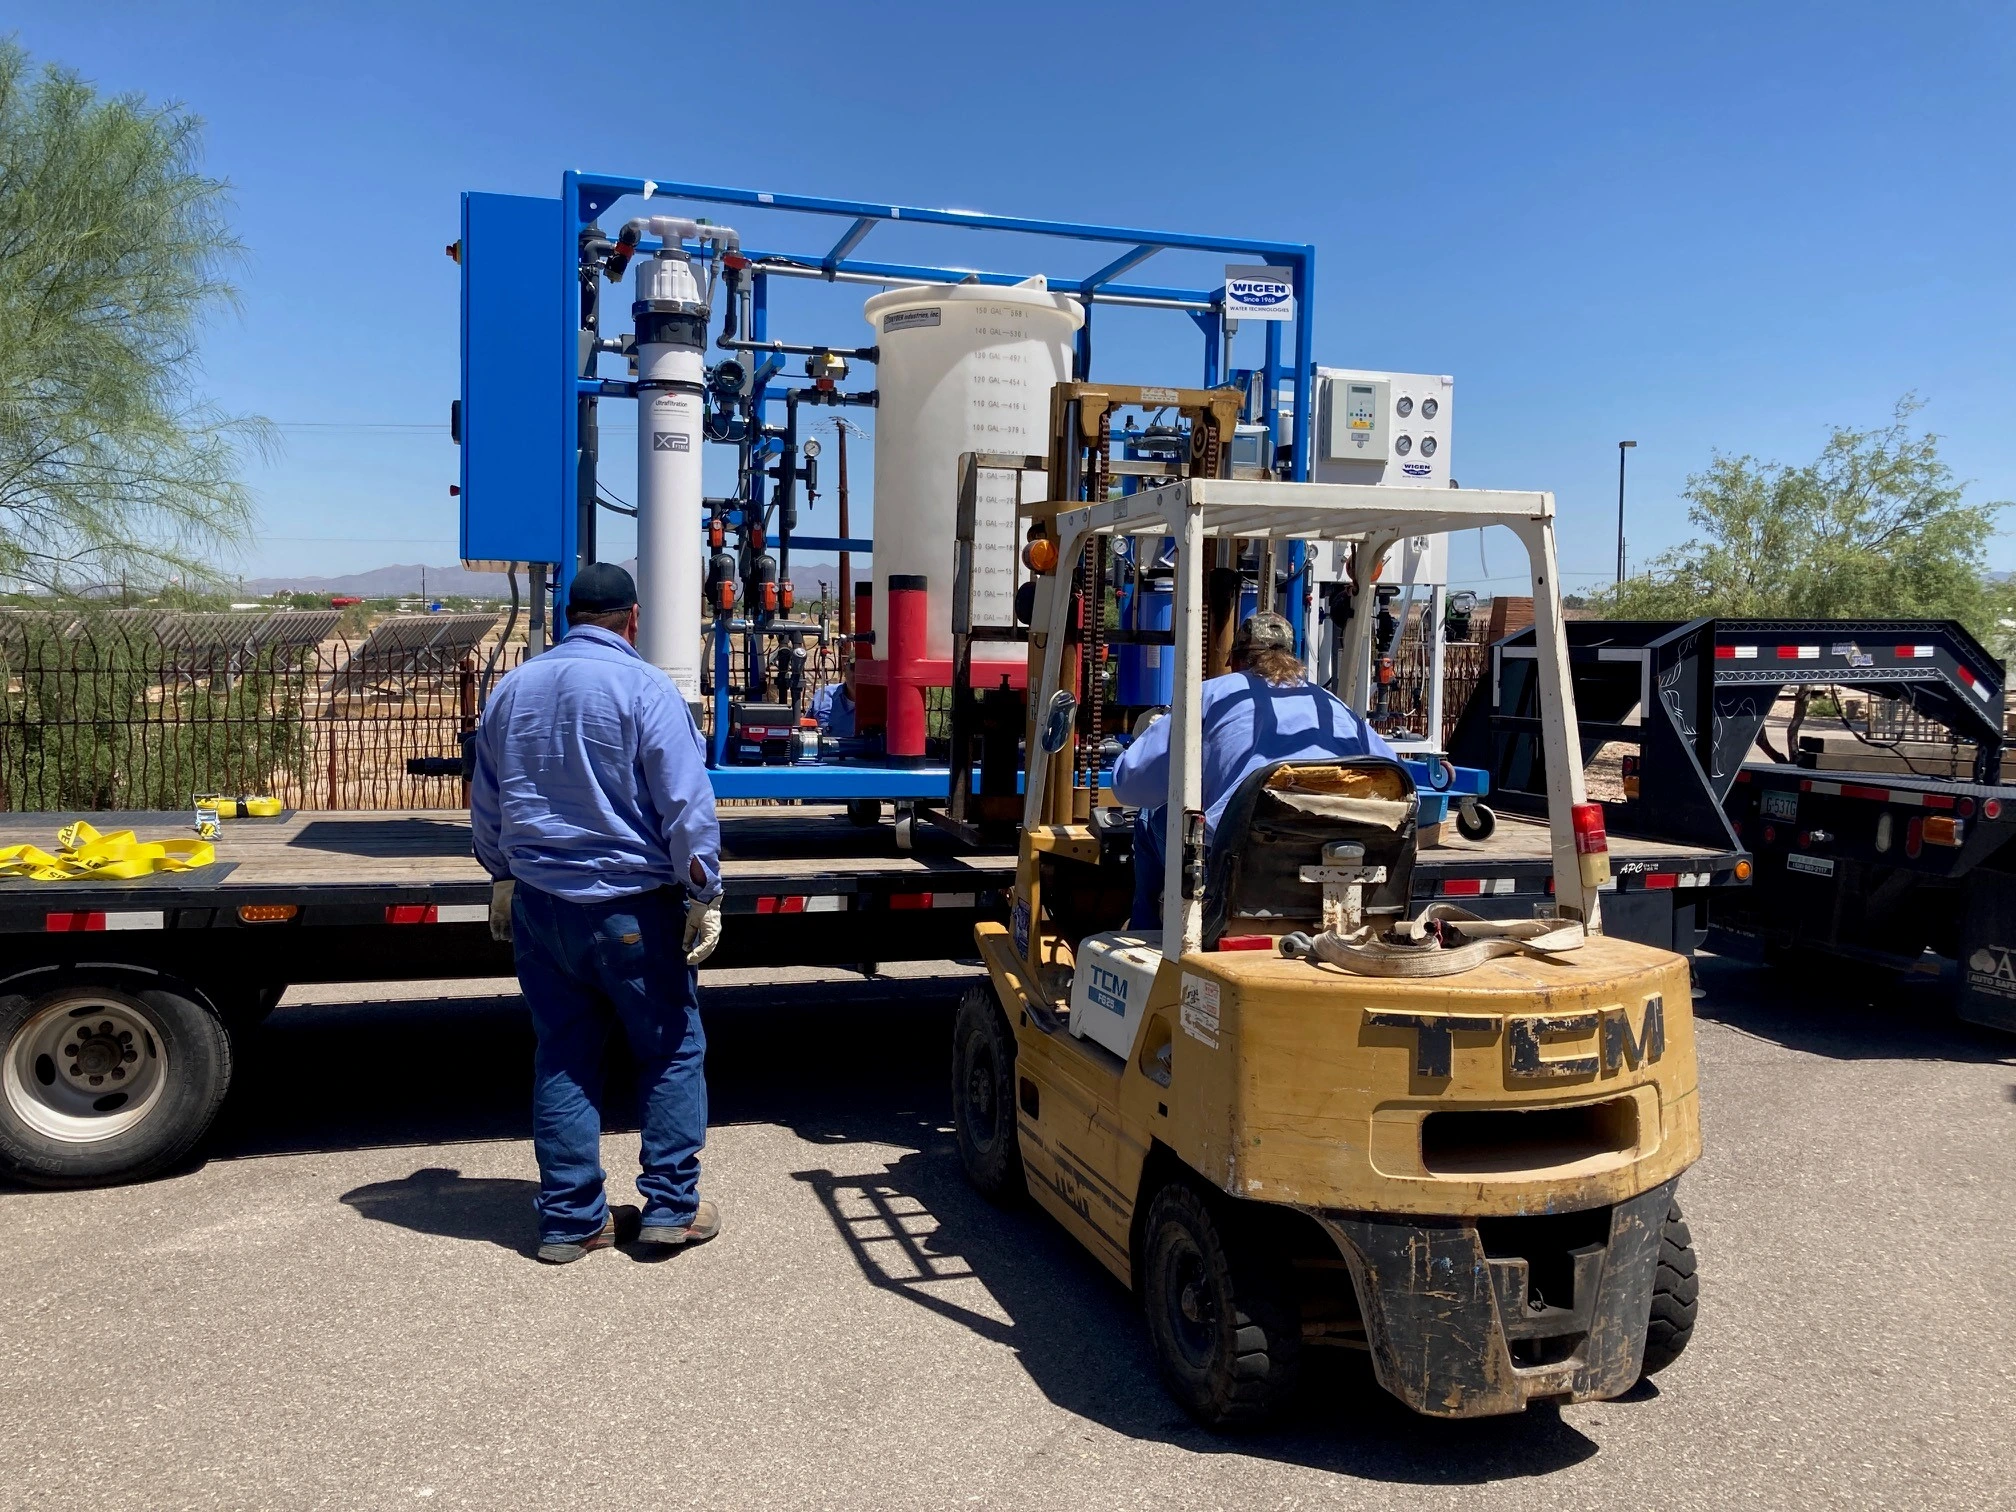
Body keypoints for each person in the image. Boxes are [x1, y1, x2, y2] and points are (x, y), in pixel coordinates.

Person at [471, 562, 725, 1264]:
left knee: (564, 1056)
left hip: (541, 909)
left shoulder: (512, 689)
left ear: (565, 617)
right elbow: (685, 806)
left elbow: (486, 799)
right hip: (631, 909)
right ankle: (672, 1209)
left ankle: (570, 1220)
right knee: (671, 1051)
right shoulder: (646, 688)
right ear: (632, 620)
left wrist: (500, 875)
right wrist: (703, 892)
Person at [1110, 610, 1395, 931]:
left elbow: (1130, 786)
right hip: (1332, 866)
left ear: (1236, 660)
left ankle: (1150, 936)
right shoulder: (1331, 706)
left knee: (1150, 818)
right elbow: (1394, 779)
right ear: (1292, 659)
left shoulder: (1210, 696)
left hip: (1237, 871)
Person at [811, 661, 857, 737]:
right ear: (845, 669)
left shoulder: (881, 704)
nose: (857, 674)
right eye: (854, 668)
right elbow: (805, 729)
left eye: (864, 669)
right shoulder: (823, 695)